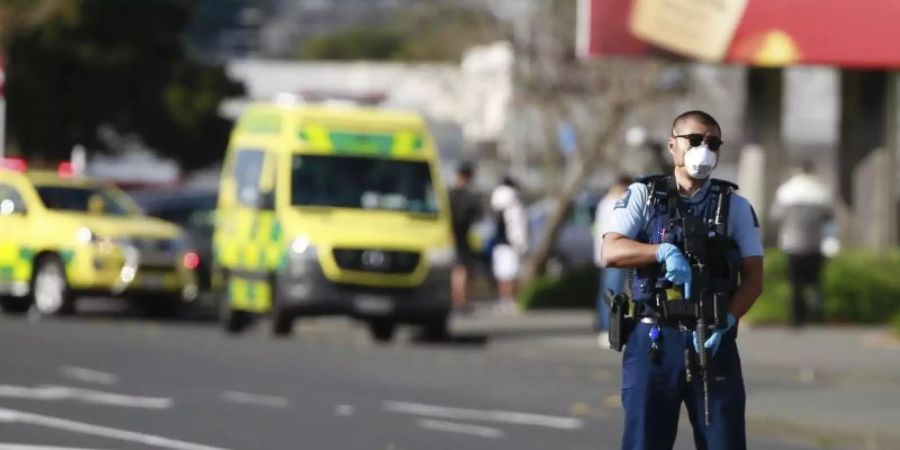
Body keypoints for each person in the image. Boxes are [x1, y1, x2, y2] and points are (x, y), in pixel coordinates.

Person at [601, 110, 764, 450]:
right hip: (655, 339)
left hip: (712, 339)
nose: (704, 149)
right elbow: (611, 249)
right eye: (695, 140)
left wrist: (730, 318)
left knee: (725, 441)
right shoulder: (644, 195)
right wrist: (661, 252)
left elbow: (754, 278)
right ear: (673, 145)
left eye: (713, 143)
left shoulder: (734, 206)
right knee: (644, 440)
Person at [770, 161, 833, 327]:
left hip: (793, 244)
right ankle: (817, 316)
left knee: (795, 284)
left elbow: (775, 216)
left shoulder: (787, 190)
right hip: (815, 243)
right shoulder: (820, 190)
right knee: (815, 282)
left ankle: (797, 317)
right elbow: (829, 217)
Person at [594, 175, 633, 347]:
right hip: (614, 256)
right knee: (613, 294)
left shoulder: (605, 201)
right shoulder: (614, 203)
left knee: (608, 292)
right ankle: (607, 329)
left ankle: (606, 327)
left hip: (608, 255)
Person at [490, 176, 528, 315]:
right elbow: (516, 228)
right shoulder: (513, 206)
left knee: (503, 275)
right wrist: (520, 244)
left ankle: (504, 300)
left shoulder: (498, 205)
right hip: (510, 245)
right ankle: (508, 300)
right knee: (509, 275)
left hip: (500, 244)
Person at [448, 162, 482, 313]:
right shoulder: (468, 196)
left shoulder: (448, 193)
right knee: (461, 269)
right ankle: (460, 300)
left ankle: (456, 298)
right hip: (461, 235)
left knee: (456, 268)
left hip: (447, 235)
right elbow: (476, 216)